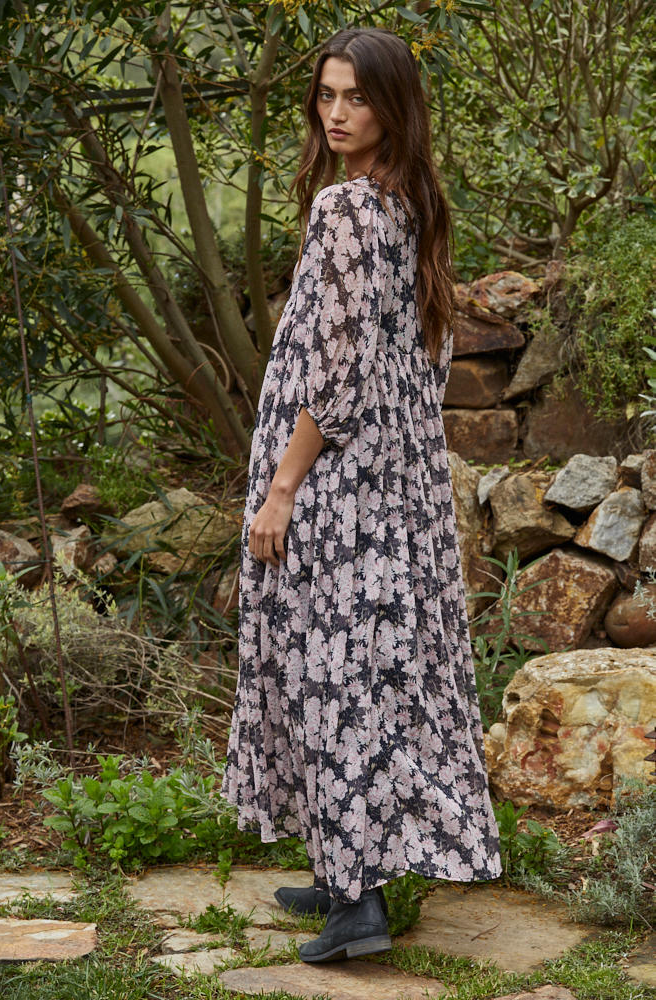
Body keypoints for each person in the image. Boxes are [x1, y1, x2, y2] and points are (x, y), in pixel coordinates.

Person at [220, 26, 502, 964]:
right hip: (393, 483)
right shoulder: (409, 201)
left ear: (392, 107)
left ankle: (358, 909)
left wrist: (281, 489)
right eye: (327, 95)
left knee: (332, 675)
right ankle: (348, 870)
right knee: (371, 674)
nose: (337, 114)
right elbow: (418, 357)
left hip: (337, 484)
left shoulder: (347, 207)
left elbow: (337, 378)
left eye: (357, 97)